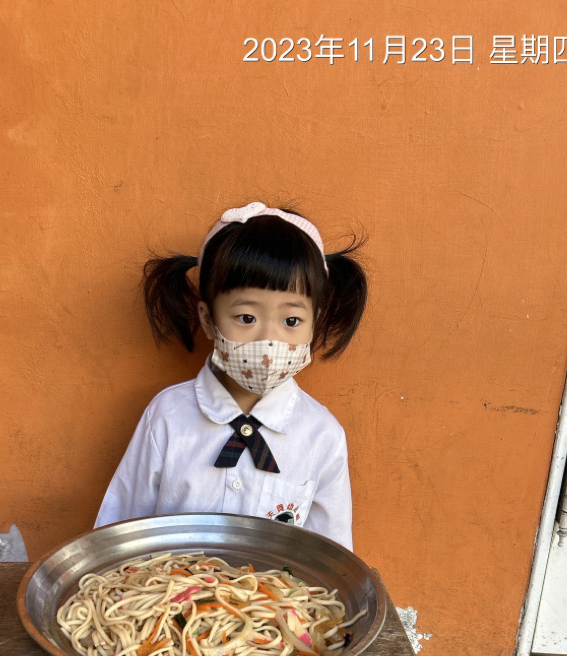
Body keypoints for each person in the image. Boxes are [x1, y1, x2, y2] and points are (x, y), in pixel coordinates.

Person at [93, 200, 368, 549]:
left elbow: (331, 557)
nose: (269, 339)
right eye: (247, 318)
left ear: (315, 320)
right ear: (208, 319)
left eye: (291, 320)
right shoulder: (167, 417)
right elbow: (119, 533)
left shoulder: (321, 436)